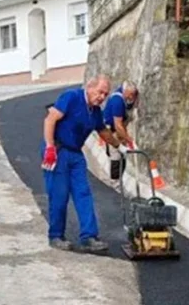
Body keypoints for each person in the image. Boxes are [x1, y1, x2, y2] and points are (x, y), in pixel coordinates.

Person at [41, 75, 127, 252]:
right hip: (58, 151)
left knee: (83, 193)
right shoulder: (71, 97)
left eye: (105, 94)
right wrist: (49, 147)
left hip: (76, 153)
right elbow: (50, 119)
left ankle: (89, 237)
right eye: (100, 92)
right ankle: (56, 236)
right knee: (59, 195)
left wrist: (119, 146)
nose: (102, 97)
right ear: (90, 87)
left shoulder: (95, 112)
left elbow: (102, 131)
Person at [103, 81, 139, 173]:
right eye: (130, 95)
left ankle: (119, 179)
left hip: (119, 131)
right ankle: (115, 180)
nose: (131, 97)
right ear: (125, 91)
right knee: (116, 159)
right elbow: (118, 126)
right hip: (112, 132)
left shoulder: (124, 96)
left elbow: (130, 104)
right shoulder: (117, 101)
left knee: (122, 159)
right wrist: (130, 141)